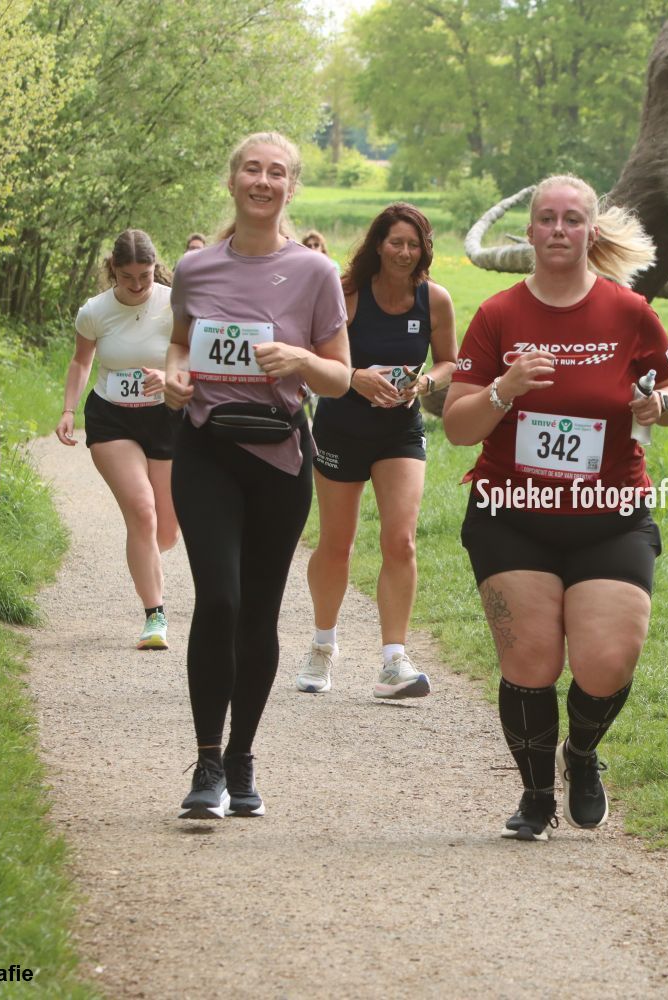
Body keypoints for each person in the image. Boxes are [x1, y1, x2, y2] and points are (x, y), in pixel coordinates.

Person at [443, 174, 668, 841]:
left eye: (572, 219)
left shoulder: (628, 312)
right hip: (512, 514)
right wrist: (504, 389)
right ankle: (535, 797)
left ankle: (580, 755)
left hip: (610, 515)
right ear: (529, 232)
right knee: (531, 662)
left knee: (607, 663)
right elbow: (458, 427)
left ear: (590, 231)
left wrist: (659, 405)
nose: (558, 229)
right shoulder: (498, 315)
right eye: (547, 218)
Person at [164, 131, 351, 820]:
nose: (263, 181)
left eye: (276, 173)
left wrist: (299, 360)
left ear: (291, 187)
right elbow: (178, 344)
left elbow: (340, 377)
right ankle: (207, 761)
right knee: (218, 599)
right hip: (206, 449)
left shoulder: (314, 273)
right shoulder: (195, 268)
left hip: (279, 456)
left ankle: (243, 755)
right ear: (233, 180)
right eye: (252, 169)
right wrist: (176, 378)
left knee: (259, 611)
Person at [297, 204, 457, 699]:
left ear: (424, 250)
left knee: (401, 541)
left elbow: (450, 362)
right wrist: (353, 378)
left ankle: (394, 660)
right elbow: (313, 359)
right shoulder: (347, 294)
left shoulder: (434, 300)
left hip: (399, 432)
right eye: (396, 243)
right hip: (341, 428)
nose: (405, 253)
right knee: (336, 544)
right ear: (378, 245)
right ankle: (322, 645)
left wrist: (424, 383)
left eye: (414, 244)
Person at [56, 229, 179, 650]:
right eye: (128, 277)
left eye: (145, 275)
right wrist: (69, 410)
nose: (138, 285)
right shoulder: (94, 311)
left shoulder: (175, 303)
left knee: (166, 532)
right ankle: (154, 616)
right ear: (114, 270)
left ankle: (146, 559)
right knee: (142, 512)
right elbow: (81, 361)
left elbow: (191, 358)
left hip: (166, 418)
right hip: (112, 419)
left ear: (155, 267)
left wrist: (169, 377)